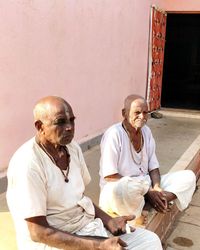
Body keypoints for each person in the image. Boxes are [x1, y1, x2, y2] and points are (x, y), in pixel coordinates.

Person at [6, 96, 162, 250]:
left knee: (150, 241)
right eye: (60, 122)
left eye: (72, 121)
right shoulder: (27, 163)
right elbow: (38, 233)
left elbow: (80, 198)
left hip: (84, 227)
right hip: (53, 240)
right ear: (40, 126)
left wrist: (109, 221)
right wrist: (98, 245)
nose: (69, 127)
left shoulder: (72, 148)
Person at [99, 94, 196, 220]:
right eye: (137, 112)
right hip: (121, 190)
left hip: (146, 187)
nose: (142, 117)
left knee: (188, 177)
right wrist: (147, 190)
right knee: (128, 189)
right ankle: (149, 202)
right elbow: (110, 175)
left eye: (145, 113)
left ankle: (155, 201)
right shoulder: (113, 134)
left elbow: (153, 168)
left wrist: (156, 188)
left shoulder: (146, 132)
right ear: (124, 113)